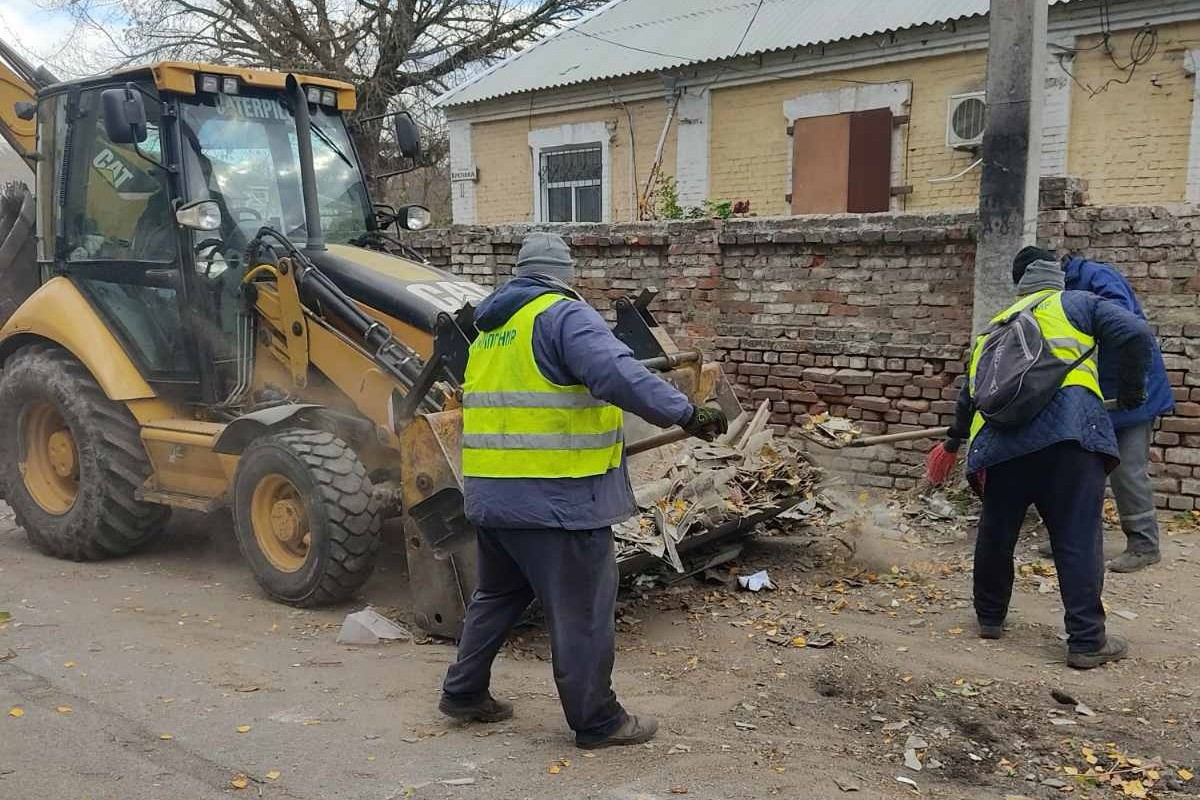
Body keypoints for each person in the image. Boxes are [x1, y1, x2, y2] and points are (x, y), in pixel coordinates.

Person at [439, 232, 728, 747]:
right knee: (582, 611)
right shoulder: (562, 315)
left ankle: (463, 693)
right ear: (564, 273)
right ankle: (598, 720)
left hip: (493, 498)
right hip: (557, 500)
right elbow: (616, 373)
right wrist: (687, 412)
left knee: (498, 595)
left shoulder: (491, 332)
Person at [930, 254, 1153, 669]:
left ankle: (990, 618)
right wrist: (1133, 393)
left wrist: (953, 442)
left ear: (1021, 289)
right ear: (1058, 283)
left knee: (996, 533)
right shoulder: (1079, 304)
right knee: (1076, 537)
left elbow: (970, 396)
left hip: (999, 446)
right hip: (1068, 439)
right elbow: (1136, 333)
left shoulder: (992, 328)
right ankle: (1086, 641)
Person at [1014, 248, 1174, 573]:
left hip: (1132, 392)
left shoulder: (1096, 277)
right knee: (1078, 469)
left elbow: (1129, 330)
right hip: (1095, 394)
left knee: (1126, 470)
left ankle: (1144, 544)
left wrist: (1131, 389)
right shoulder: (1058, 294)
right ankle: (1070, 539)